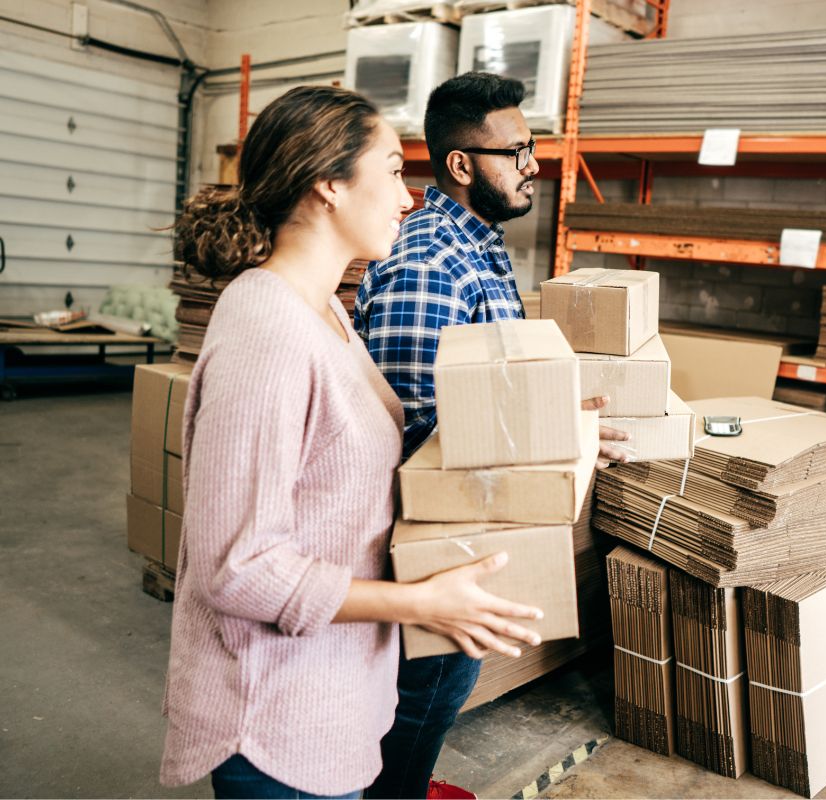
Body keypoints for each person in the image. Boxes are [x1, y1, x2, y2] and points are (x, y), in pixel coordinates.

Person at [159, 85, 543, 800]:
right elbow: (237, 568)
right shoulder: (268, 332)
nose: (409, 198)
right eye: (395, 172)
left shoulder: (325, 314)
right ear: (329, 184)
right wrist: (420, 602)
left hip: (332, 694)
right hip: (275, 721)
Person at [354, 72, 630, 800]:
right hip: (439, 524)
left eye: (532, 145)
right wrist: (544, 446)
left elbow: (484, 392)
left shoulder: (476, 244)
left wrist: (560, 422)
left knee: (442, 679)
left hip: (475, 503)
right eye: (516, 151)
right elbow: (412, 421)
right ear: (460, 164)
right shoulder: (430, 259)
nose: (534, 163)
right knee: (430, 686)